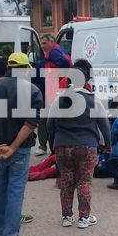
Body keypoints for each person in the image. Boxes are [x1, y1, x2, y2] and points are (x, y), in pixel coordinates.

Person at [0, 52, 42, 236]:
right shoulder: (32, 90)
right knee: (15, 192)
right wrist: (13, 147)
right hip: (19, 151)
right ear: (24, 69)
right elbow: (31, 123)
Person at [47, 59, 110, 227]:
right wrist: (108, 145)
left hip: (62, 146)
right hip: (87, 146)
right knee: (84, 181)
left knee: (66, 181)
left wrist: (52, 144)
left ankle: (67, 217)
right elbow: (104, 125)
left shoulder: (58, 100)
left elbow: (49, 124)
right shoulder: (93, 100)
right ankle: (84, 218)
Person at [35, 34, 72, 157]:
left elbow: (65, 63)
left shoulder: (54, 52)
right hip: (54, 89)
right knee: (50, 119)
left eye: (44, 43)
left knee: (44, 120)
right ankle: (52, 146)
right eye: (41, 44)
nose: (42, 46)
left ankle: (44, 146)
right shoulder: (58, 51)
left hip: (52, 90)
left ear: (52, 42)